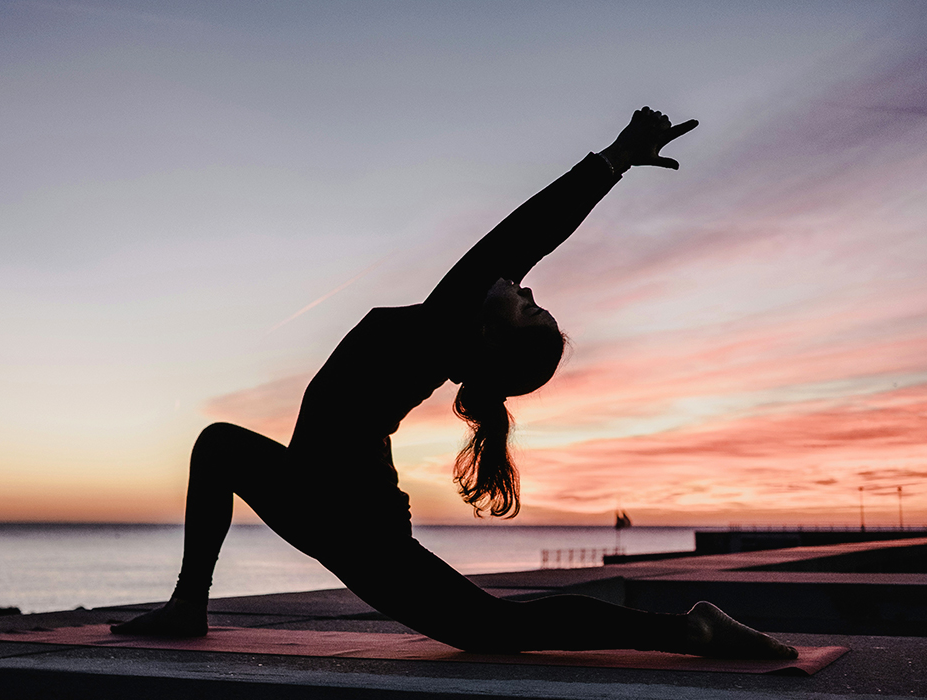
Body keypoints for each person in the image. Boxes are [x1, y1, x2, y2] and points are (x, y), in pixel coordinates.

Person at [113, 107, 797, 659]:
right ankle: (189, 604)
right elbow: (520, 250)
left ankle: (687, 630)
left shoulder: (445, 325)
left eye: (528, 305)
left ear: (491, 337)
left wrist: (614, 159)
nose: (522, 287)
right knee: (218, 446)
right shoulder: (441, 337)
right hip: (321, 497)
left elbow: (525, 234)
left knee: (494, 632)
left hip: (348, 518)